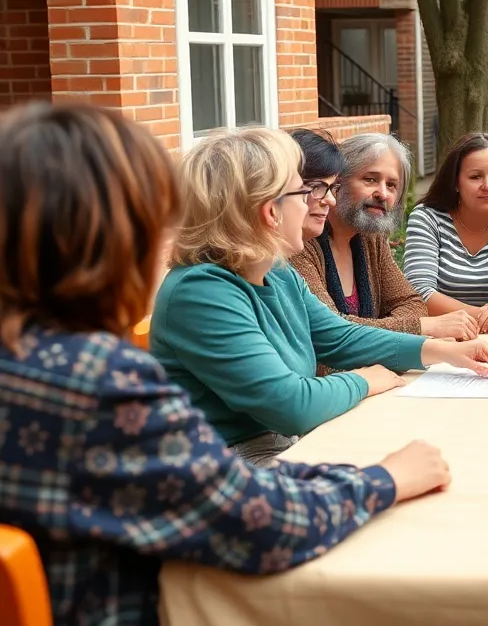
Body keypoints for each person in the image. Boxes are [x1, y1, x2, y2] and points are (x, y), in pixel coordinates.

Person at [0, 103, 456, 625]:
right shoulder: (99, 382)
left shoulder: (36, 360)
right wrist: (385, 479)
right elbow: (262, 521)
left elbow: (217, 485)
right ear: (121, 236)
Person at [151, 127, 488, 466]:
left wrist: (442, 351)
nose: (317, 204)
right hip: (227, 466)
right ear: (269, 211)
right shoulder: (202, 293)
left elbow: (338, 336)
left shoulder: (275, 271)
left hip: (282, 446)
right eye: (303, 193)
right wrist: (363, 379)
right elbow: (291, 405)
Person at [290, 132, 478, 343]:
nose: (383, 194)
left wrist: (384, 333)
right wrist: (423, 327)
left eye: (391, 185)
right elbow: (332, 331)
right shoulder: (300, 241)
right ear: (338, 182)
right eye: (370, 179)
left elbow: (411, 302)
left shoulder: (371, 238)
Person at [404, 133, 488, 335]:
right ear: (456, 182)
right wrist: (486, 320)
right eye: (475, 177)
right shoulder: (427, 218)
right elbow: (419, 291)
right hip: (441, 337)